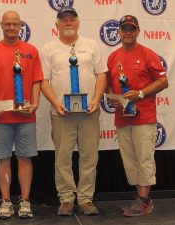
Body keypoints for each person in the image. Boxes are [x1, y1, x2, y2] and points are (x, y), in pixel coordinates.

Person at [40, 6, 107, 216]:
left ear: (78, 23)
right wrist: (55, 102)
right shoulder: (48, 49)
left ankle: (86, 199)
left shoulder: (92, 45)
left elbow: (102, 74)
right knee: (62, 158)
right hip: (61, 113)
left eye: (72, 19)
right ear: (57, 25)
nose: (68, 22)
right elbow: (43, 80)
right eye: (64, 19)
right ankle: (67, 199)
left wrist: (97, 99)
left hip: (89, 112)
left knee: (89, 157)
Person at [0, 10, 43, 219]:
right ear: (1, 25)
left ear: (20, 26)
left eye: (15, 24)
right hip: (0, 117)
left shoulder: (31, 51)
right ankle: (6, 202)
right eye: (7, 24)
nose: (11, 27)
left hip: (25, 115)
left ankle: (25, 201)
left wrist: (35, 103)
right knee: (3, 158)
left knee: (25, 158)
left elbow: (36, 81)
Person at [107, 15, 168, 217]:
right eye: (124, 29)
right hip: (122, 117)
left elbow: (163, 81)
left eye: (132, 29)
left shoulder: (147, 53)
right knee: (130, 160)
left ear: (138, 31)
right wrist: (111, 98)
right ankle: (139, 198)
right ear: (119, 32)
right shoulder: (113, 56)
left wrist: (140, 93)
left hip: (144, 117)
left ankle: (144, 201)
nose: (128, 32)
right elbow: (109, 84)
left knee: (144, 159)